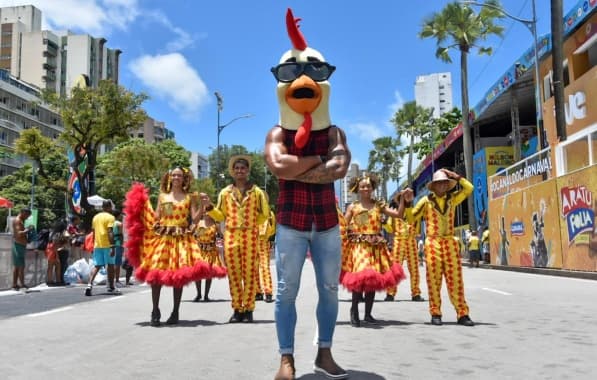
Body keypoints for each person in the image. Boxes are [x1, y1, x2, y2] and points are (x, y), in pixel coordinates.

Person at [264, 8, 351, 379]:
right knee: (285, 292)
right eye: (292, 74)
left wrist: (300, 166)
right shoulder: (276, 133)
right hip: (291, 224)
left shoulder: (335, 132)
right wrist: (316, 159)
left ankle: (324, 354)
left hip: (328, 224)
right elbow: (278, 167)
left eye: (315, 72)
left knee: (329, 291)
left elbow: (340, 169)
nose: (303, 80)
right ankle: (286, 358)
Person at [125, 167, 211, 326]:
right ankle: (155, 310)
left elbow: (194, 219)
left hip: (181, 239)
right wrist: (142, 207)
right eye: (174, 175)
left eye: (179, 175)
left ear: (184, 178)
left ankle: (175, 311)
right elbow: (156, 217)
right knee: (155, 275)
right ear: (170, 177)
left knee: (178, 276)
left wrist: (203, 206)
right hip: (163, 238)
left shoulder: (188, 197)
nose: (176, 177)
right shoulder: (162, 196)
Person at [201, 155, 270, 323]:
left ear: (248, 170)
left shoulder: (257, 191)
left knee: (250, 274)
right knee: (234, 275)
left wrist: (252, 224)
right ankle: (237, 309)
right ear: (233, 171)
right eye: (237, 168)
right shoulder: (225, 193)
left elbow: (265, 214)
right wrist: (209, 207)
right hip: (231, 236)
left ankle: (248, 309)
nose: (240, 171)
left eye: (243, 168)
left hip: (250, 236)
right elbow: (220, 215)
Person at [404, 168, 475, 327]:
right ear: (434, 186)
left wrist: (454, 175)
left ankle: (462, 314)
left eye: (444, 183)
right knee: (434, 281)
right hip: (433, 243)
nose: (442, 185)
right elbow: (411, 217)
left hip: (449, 242)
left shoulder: (453, 198)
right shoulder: (426, 201)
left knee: (455, 280)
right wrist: (408, 202)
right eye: (439, 183)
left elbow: (469, 188)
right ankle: (435, 312)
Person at [342, 174, 406, 327]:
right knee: (359, 278)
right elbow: (343, 225)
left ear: (372, 188)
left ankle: (368, 314)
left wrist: (402, 200)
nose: (365, 188)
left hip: (376, 247)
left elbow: (399, 214)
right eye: (362, 186)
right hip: (359, 246)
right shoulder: (353, 207)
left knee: (372, 280)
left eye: (368, 186)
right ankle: (354, 311)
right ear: (357, 188)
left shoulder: (379, 205)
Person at [385, 190, 425, 302]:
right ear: (399, 199)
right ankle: (390, 293)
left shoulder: (414, 211)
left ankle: (415, 293)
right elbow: (389, 227)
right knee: (395, 268)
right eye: (404, 196)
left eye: (409, 196)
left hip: (411, 241)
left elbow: (417, 227)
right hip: (399, 241)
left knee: (414, 269)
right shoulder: (394, 212)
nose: (407, 198)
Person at [193, 208, 227, 302]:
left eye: (208, 211)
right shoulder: (198, 223)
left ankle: (206, 295)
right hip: (200, 252)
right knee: (197, 274)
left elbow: (221, 237)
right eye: (204, 211)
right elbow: (193, 235)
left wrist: (221, 247)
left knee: (208, 275)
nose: (206, 213)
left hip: (211, 252)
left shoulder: (216, 225)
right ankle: (199, 294)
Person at [86, 200, 118, 296]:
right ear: (108, 207)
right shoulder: (111, 217)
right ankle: (111, 287)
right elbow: (110, 232)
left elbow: (94, 232)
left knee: (97, 265)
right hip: (107, 244)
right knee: (111, 265)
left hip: (97, 245)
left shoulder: (95, 217)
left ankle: (89, 285)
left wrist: (93, 243)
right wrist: (112, 246)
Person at [256, 209, 276, 303]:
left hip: (264, 242)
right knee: (253, 268)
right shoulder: (249, 212)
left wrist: (270, 239)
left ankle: (268, 292)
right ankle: (257, 292)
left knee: (264, 267)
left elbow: (273, 229)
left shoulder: (269, 213)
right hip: (251, 241)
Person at [12, 208, 32, 290]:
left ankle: (15, 284)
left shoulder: (20, 221)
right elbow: (18, 234)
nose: (27, 218)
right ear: (23, 212)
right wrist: (28, 230)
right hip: (18, 246)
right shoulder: (18, 220)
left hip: (20, 245)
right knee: (21, 266)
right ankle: (22, 284)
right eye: (27, 215)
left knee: (17, 266)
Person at [112, 210, 124, 286]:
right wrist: (122, 244)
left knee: (112, 263)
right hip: (118, 244)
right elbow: (120, 235)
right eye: (120, 215)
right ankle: (116, 280)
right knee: (117, 263)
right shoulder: (119, 224)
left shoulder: (111, 223)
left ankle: (111, 279)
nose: (121, 216)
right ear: (118, 215)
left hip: (111, 244)